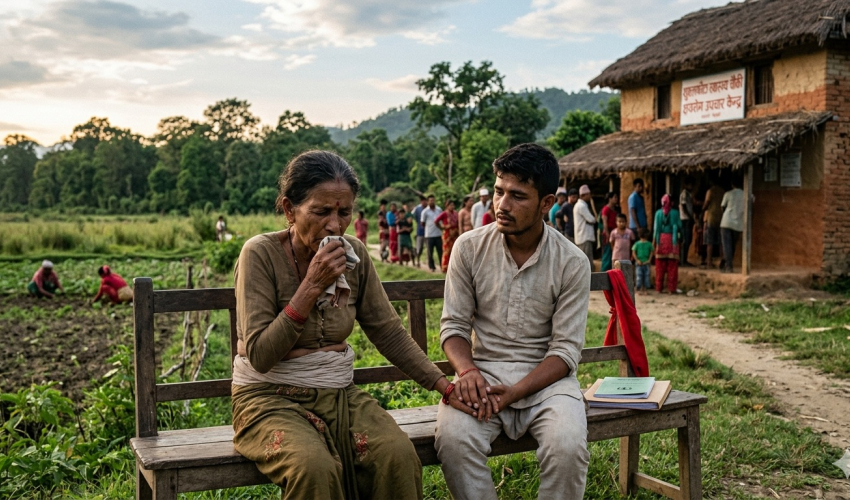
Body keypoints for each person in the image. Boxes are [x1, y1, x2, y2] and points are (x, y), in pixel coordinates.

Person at [231, 150, 469, 500]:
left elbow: (387, 331)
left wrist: (444, 386)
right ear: (288, 209)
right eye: (321, 211)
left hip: (338, 393)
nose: (334, 225)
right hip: (267, 398)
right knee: (313, 467)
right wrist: (312, 285)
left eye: (344, 212)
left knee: (397, 455)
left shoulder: (353, 255)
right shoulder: (259, 254)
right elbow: (261, 355)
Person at [436, 143, 591, 499]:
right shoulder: (468, 247)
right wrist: (468, 372)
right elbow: (454, 327)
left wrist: (517, 392)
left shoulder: (571, 261)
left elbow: (565, 351)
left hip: (549, 385)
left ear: (546, 203)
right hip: (483, 378)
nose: (502, 205)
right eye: (498, 191)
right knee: (454, 439)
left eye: (518, 196)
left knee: (567, 448)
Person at [653, 194, 682, 294]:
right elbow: (679, 226)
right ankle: (671, 289)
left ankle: (659, 288)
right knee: (672, 267)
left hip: (660, 240)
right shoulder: (675, 213)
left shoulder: (658, 213)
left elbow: (656, 229)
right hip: (672, 241)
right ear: (672, 203)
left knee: (660, 267)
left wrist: (655, 243)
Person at [720, 179, 745, 273]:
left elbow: (722, 206)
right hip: (738, 223)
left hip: (726, 222)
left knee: (726, 245)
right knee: (732, 245)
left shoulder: (728, 194)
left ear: (732, 184)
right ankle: (728, 264)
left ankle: (728, 265)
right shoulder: (747, 195)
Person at [702, 177, 724, 269]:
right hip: (721, 218)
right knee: (721, 242)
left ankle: (709, 262)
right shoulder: (723, 191)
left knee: (709, 242)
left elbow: (706, 203)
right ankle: (722, 262)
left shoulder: (710, 191)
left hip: (711, 218)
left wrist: (702, 209)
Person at [573, 185, 596, 270]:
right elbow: (592, 219)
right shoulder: (581, 206)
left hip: (582, 237)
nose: (589, 196)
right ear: (583, 195)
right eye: (588, 194)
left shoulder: (580, 205)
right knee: (587, 263)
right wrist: (594, 219)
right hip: (584, 237)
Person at [435, 199, 459, 273]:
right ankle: (445, 268)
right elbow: (436, 221)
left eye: (453, 205)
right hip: (447, 234)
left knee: (454, 250)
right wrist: (443, 227)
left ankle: (454, 268)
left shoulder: (455, 213)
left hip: (455, 233)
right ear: (447, 206)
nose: (452, 207)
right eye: (450, 205)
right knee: (446, 251)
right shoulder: (444, 213)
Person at [421, 195, 443, 272]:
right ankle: (432, 267)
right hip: (429, 234)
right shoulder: (425, 211)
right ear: (428, 201)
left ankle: (442, 265)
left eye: (433, 200)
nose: (432, 202)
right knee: (430, 252)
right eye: (430, 200)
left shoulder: (439, 209)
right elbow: (422, 223)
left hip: (438, 233)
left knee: (440, 251)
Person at [600, 191, 620, 272]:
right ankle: (603, 272)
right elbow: (605, 223)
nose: (616, 199)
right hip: (608, 234)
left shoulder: (616, 209)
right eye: (614, 197)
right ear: (610, 199)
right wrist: (608, 235)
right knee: (607, 254)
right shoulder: (606, 209)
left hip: (615, 234)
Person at [679, 177, 696, 266]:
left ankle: (684, 260)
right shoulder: (684, 194)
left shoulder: (688, 194)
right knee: (686, 239)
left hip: (687, 218)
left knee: (688, 240)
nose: (692, 187)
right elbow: (684, 206)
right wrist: (690, 217)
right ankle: (683, 260)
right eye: (690, 185)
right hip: (685, 219)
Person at [632, 228, 653, 294]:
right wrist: (637, 260)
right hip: (639, 263)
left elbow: (652, 252)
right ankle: (639, 289)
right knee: (639, 276)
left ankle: (644, 289)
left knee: (646, 276)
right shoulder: (637, 244)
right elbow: (634, 252)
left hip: (646, 263)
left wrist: (649, 260)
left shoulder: (649, 244)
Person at [411, 195, 427, 267]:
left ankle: (428, 262)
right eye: (423, 201)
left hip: (428, 232)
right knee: (419, 248)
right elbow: (412, 216)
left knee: (428, 249)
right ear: (421, 202)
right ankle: (417, 260)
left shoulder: (428, 208)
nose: (424, 202)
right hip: (419, 231)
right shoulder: (417, 209)